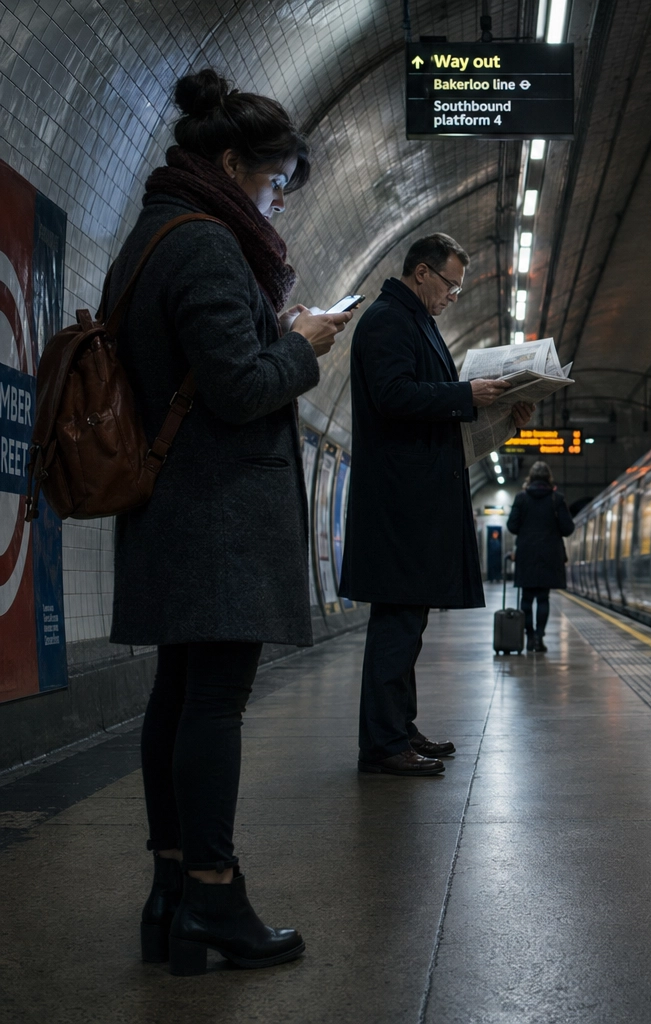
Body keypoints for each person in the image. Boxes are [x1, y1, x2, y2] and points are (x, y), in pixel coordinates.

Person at [111, 68, 352, 975]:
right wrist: (301, 347)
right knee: (212, 705)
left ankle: (172, 895)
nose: (276, 198)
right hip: (215, 514)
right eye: (272, 180)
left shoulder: (151, 234)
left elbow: (206, 364)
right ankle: (213, 892)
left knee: (177, 698)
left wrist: (272, 337)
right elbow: (241, 386)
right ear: (229, 162)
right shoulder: (208, 244)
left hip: (176, 507)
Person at [339, 233, 533, 775]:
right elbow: (394, 396)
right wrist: (465, 396)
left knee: (409, 622)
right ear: (422, 272)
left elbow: (428, 407)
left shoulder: (416, 322)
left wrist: (492, 415)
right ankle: (382, 744)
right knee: (396, 623)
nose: (453, 295)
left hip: (417, 498)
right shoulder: (385, 321)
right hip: (400, 503)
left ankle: (399, 727)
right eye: (450, 283)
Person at [507, 461, 575, 652]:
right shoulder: (557, 499)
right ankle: (539, 638)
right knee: (543, 598)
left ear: (530, 478)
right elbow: (568, 529)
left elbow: (512, 526)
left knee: (526, 598)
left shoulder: (521, 498)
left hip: (526, 554)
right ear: (548, 478)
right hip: (549, 556)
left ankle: (529, 637)